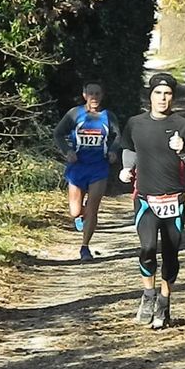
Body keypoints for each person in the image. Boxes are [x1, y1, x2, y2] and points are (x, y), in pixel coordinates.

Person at [119, 73, 185, 329]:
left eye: (167, 94)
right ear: (150, 95)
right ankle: (148, 295)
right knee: (147, 249)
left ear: (173, 97)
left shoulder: (184, 126)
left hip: (174, 201)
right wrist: (127, 169)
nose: (162, 98)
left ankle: (164, 302)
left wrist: (183, 150)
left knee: (170, 255)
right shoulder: (135, 123)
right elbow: (129, 148)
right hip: (145, 199)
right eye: (158, 93)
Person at [54, 80, 121, 261]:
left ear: (102, 96)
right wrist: (67, 151)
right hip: (78, 167)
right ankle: (81, 216)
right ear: (84, 95)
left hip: (99, 167)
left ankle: (85, 247)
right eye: (90, 93)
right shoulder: (75, 114)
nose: (94, 97)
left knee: (92, 208)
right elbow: (58, 133)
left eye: (97, 94)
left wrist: (113, 151)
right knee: (75, 211)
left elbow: (117, 136)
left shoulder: (108, 116)